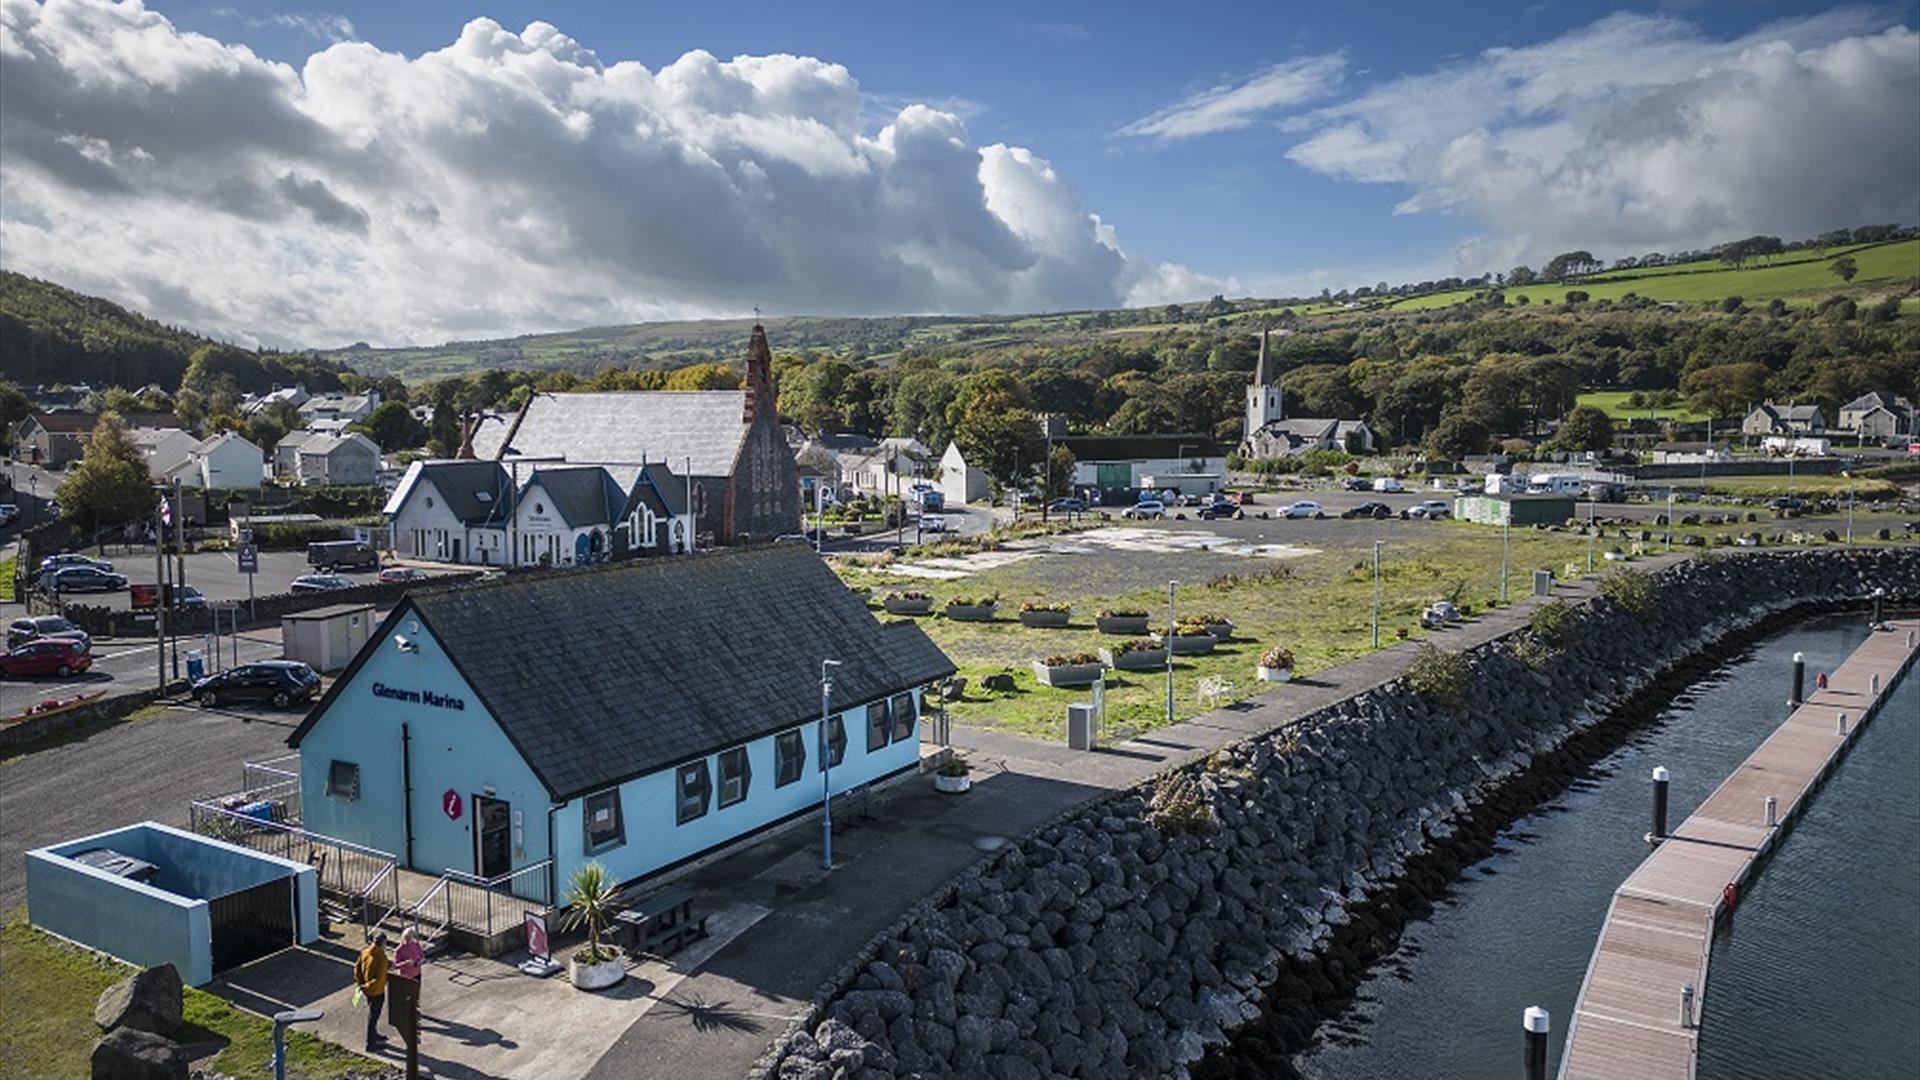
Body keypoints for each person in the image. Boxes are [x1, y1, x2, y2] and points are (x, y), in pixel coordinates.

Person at [388, 927, 424, 1078]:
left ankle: (416, 1013)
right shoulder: (399, 950)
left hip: (416, 974)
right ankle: (412, 1016)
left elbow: (422, 957)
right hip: (406, 977)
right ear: (404, 938)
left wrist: (417, 963)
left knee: (417, 997)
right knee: (408, 999)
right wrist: (405, 964)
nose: (410, 941)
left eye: (411, 938)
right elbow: (395, 965)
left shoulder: (416, 945)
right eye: (408, 938)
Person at [354, 931, 390, 1051]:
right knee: (373, 1017)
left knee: (372, 1015)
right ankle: (371, 1043)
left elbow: (357, 969)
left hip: (366, 990)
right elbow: (379, 979)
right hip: (377, 992)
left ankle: (374, 1035)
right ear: (383, 943)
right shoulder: (382, 958)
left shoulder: (365, 952)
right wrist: (367, 986)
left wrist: (361, 984)